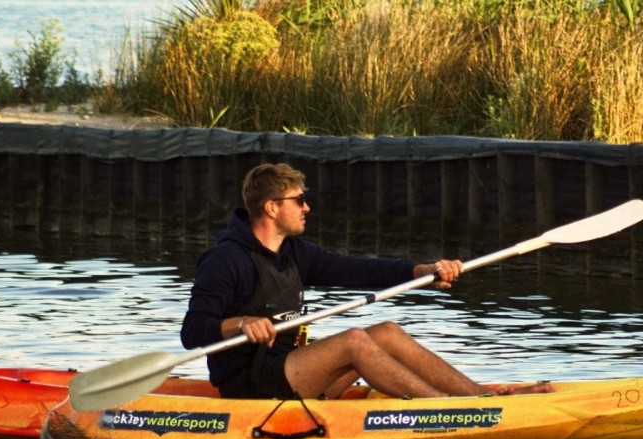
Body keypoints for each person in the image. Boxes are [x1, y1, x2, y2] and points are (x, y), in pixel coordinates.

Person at [181, 162, 548, 400]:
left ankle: (478, 396)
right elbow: (193, 332)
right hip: (251, 383)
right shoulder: (225, 260)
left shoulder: (295, 252)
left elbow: (356, 269)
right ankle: (444, 409)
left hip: (290, 366)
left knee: (385, 331)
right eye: (299, 200)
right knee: (354, 341)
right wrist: (240, 324)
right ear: (272, 207)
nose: (307, 207)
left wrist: (420, 271)